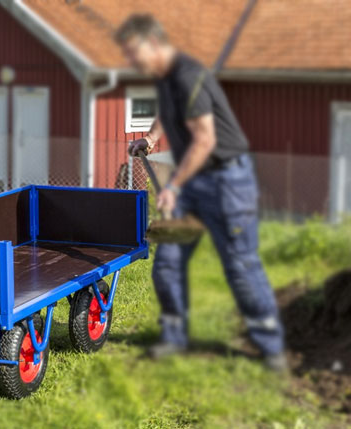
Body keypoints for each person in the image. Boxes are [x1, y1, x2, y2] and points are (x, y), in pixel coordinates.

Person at [114, 14, 287, 371]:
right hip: (193, 182)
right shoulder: (164, 78)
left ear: (154, 44)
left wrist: (173, 186)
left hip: (227, 181)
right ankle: (174, 337)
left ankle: (271, 346)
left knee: (240, 265)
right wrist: (151, 138)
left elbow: (205, 139)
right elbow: (168, 112)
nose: (130, 60)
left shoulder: (187, 75)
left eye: (133, 52)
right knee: (168, 262)